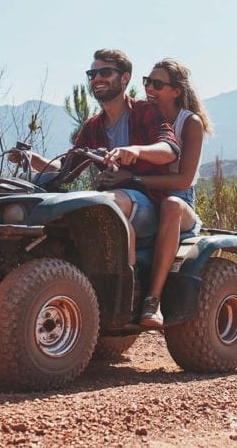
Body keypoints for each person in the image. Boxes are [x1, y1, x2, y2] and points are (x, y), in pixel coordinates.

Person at [10, 48, 179, 288]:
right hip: (110, 199)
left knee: (106, 204)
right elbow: (65, 167)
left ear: (125, 78)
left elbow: (170, 149)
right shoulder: (93, 126)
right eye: (92, 74)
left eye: (105, 72)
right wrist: (31, 157)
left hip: (149, 203)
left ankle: (124, 293)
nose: (97, 78)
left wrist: (136, 151)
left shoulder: (145, 112)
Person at [98, 59, 210, 327]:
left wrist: (135, 177)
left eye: (157, 84)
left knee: (171, 205)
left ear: (176, 91)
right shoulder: (145, 116)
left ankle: (153, 299)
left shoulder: (189, 123)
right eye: (147, 82)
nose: (149, 88)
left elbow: (183, 180)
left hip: (179, 201)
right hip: (145, 195)